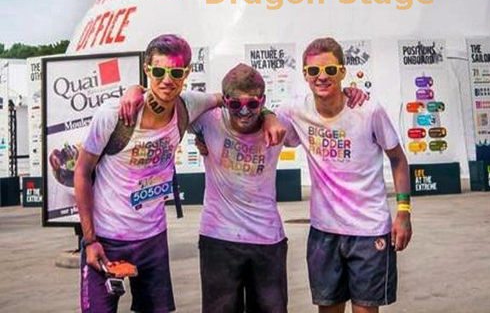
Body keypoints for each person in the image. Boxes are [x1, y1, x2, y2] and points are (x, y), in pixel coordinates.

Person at [74, 34, 285, 313]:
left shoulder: (189, 107)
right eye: (159, 71)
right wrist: (90, 240)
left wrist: (269, 114)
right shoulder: (114, 115)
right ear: (147, 69)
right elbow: (82, 171)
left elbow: (235, 99)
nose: (167, 80)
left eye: (175, 72)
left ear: (186, 73)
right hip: (107, 237)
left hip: (153, 239)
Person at [279, 37, 412, 313]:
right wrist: (202, 138)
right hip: (323, 232)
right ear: (305, 75)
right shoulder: (295, 111)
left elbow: (398, 159)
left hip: (369, 231)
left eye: (330, 70)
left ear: (342, 71)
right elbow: (260, 122)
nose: (322, 77)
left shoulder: (368, 110)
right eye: (314, 71)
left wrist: (403, 212)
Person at [192, 63, 294, 313]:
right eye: (236, 104)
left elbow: (323, 111)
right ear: (225, 101)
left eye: (253, 104)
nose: (245, 112)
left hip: (267, 239)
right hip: (219, 239)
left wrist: (269, 115)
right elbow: (169, 103)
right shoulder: (207, 120)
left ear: (263, 100)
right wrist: (134, 90)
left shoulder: (280, 127)